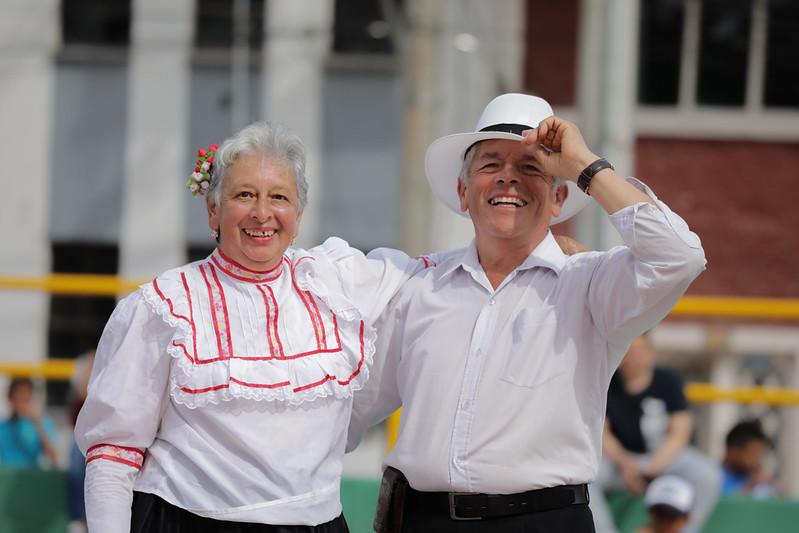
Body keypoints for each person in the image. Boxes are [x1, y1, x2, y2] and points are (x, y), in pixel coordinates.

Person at [348, 93, 706, 532]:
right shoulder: (418, 286)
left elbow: (680, 257)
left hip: (544, 521)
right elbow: (351, 409)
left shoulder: (590, 285)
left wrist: (585, 167)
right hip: (423, 520)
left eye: (531, 166)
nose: (508, 179)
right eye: (491, 164)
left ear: (558, 198)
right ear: (463, 191)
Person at [75, 122, 451, 532]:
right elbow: (113, 452)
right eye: (244, 195)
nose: (262, 212)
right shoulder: (165, 305)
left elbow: (445, 274)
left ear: (299, 215)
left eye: (279, 197)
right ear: (213, 210)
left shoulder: (335, 281)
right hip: (186, 521)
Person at [589, 335, 721, 533]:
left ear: (650, 354)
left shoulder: (668, 380)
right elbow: (602, 434)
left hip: (663, 458)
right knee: (587, 476)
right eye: (626, 351)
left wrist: (654, 466)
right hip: (620, 462)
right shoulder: (606, 381)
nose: (631, 358)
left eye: (637, 352)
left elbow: (680, 432)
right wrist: (626, 464)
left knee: (706, 474)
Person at [0, 377, 59, 468]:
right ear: (10, 397)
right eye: (18, 397)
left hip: (30, 478)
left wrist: (38, 424)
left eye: (25, 398)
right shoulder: (2, 428)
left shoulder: (42, 424)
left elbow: (54, 458)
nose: (22, 403)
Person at [721, 418, 774, 498]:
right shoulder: (714, 478)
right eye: (754, 453)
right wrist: (748, 487)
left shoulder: (757, 482)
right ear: (733, 449)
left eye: (761, 454)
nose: (758, 460)